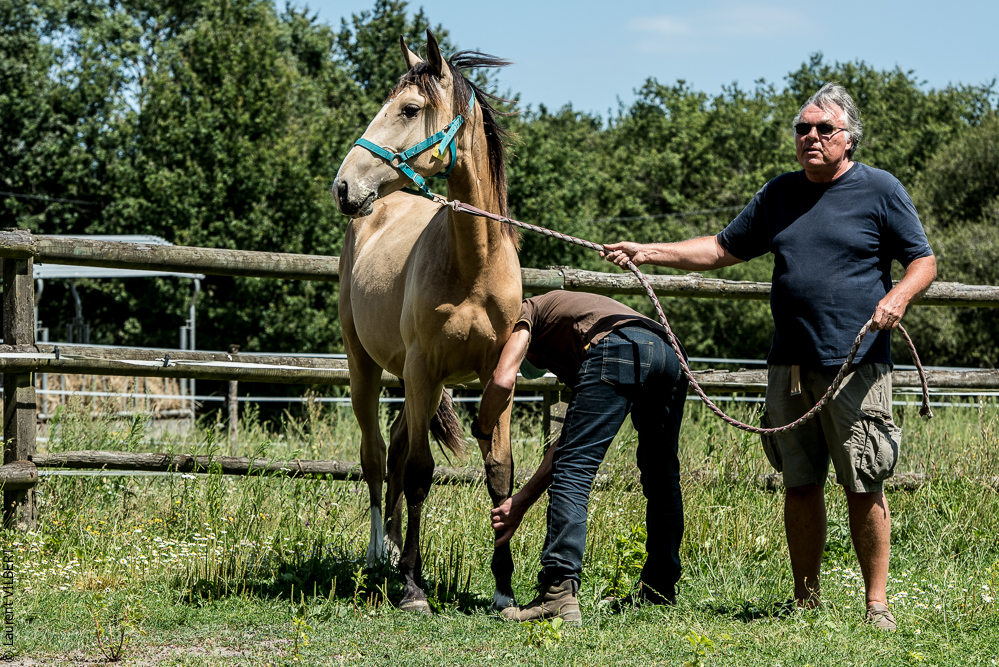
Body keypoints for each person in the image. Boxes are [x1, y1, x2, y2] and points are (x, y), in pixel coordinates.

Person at [601, 83, 936, 631]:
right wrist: (648, 251)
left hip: (857, 365)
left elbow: (922, 261)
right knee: (799, 484)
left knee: (864, 481)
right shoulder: (779, 194)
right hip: (790, 367)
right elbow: (721, 248)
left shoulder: (880, 189)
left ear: (848, 138)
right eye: (803, 128)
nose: (810, 137)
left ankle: (877, 605)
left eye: (823, 129)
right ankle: (806, 602)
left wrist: (897, 297)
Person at [473, 290, 688, 624]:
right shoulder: (573, 337)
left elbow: (502, 380)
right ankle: (660, 588)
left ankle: (558, 592)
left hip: (618, 345)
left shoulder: (527, 311)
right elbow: (567, 442)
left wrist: (483, 428)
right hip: (669, 352)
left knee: (574, 472)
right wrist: (524, 499)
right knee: (662, 475)